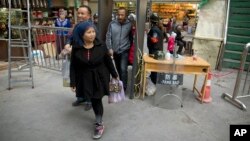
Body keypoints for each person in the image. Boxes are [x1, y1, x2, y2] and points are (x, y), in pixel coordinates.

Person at [70, 21, 118, 139]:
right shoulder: (76, 48)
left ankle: (99, 124)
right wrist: (73, 82)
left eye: (93, 32)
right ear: (81, 34)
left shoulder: (101, 45)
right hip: (85, 78)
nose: (92, 34)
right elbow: (73, 66)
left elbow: (108, 61)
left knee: (97, 99)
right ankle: (98, 118)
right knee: (91, 97)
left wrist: (115, 75)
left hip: (100, 77)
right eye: (88, 32)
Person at [64, 5, 94, 108]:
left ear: (89, 15)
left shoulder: (91, 28)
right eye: (79, 13)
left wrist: (77, 49)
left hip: (86, 57)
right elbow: (70, 37)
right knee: (78, 78)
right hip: (75, 56)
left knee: (87, 78)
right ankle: (80, 97)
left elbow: (92, 43)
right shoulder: (76, 26)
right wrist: (68, 43)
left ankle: (89, 100)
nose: (80, 15)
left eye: (83, 13)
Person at [106, 7, 132, 91]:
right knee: (115, 70)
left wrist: (129, 47)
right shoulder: (112, 24)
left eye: (122, 15)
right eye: (118, 14)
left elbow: (131, 38)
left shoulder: (130, 24)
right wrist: (109, 48)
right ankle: (116, 88)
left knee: (123, 69)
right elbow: (108, 37)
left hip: (124, 50)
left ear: (126, 15)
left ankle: (123, 88)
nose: (120, 16)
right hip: (114, 51)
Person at [147, 13, 164, 84]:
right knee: (154, 69)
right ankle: (153, 83)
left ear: (151, 21)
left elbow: (155, 40)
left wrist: (148, 36)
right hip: (159, 52)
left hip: (154, 52)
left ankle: (153, 84)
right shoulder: (159, 29)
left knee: (153, 69)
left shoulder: (154, 29)